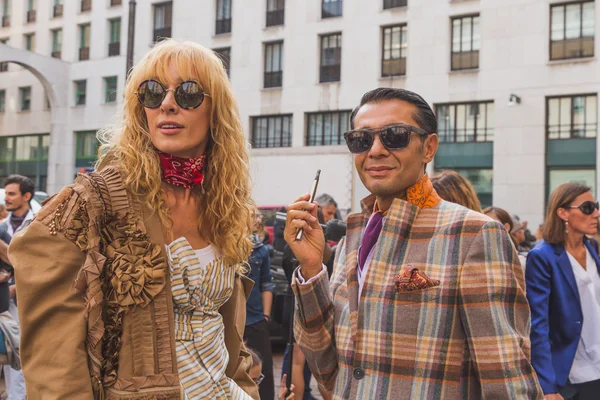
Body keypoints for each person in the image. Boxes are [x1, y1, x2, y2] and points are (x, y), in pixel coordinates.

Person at [8, 40, 259, 399]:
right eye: (152, 92)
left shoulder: (224, 203)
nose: (167, 104)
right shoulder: (93, 199)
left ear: (215, 109)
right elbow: (53, 360)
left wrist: (246, 388)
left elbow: (227, 330)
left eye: (188, 93)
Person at [283, 88, 542, 399]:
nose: (375, 150)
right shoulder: (354, 234)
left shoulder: (474, 234)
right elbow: (325, 366)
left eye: (395, 136)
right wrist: (312, 268)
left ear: (429, 147)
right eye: (361, 139)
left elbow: (506, 379)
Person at [526, 182, 600, 399]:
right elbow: (538, 324)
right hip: (571, 373)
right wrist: (547, 385)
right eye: (588, 208)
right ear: (563, 213)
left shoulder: (592, 247)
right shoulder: (542, 256)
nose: (596, 213)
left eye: (596, 206)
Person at [1, 175, 34, 400]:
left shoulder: (39, 222)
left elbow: (39, 264)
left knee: (24, 358)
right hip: (6, 303)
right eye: (6, 193)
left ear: (26, 196)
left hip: (30, 301)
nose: (6, 198)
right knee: (9, 358)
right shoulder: (3, 226)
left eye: (12, 194)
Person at [244, 211, 276, 400]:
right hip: (233, 321)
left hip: (256, 319)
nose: (259, 219)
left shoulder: (261, 249)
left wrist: (265, 316)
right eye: (254, 215)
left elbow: (267, 284)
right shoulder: (227, 246)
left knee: (264, 372)